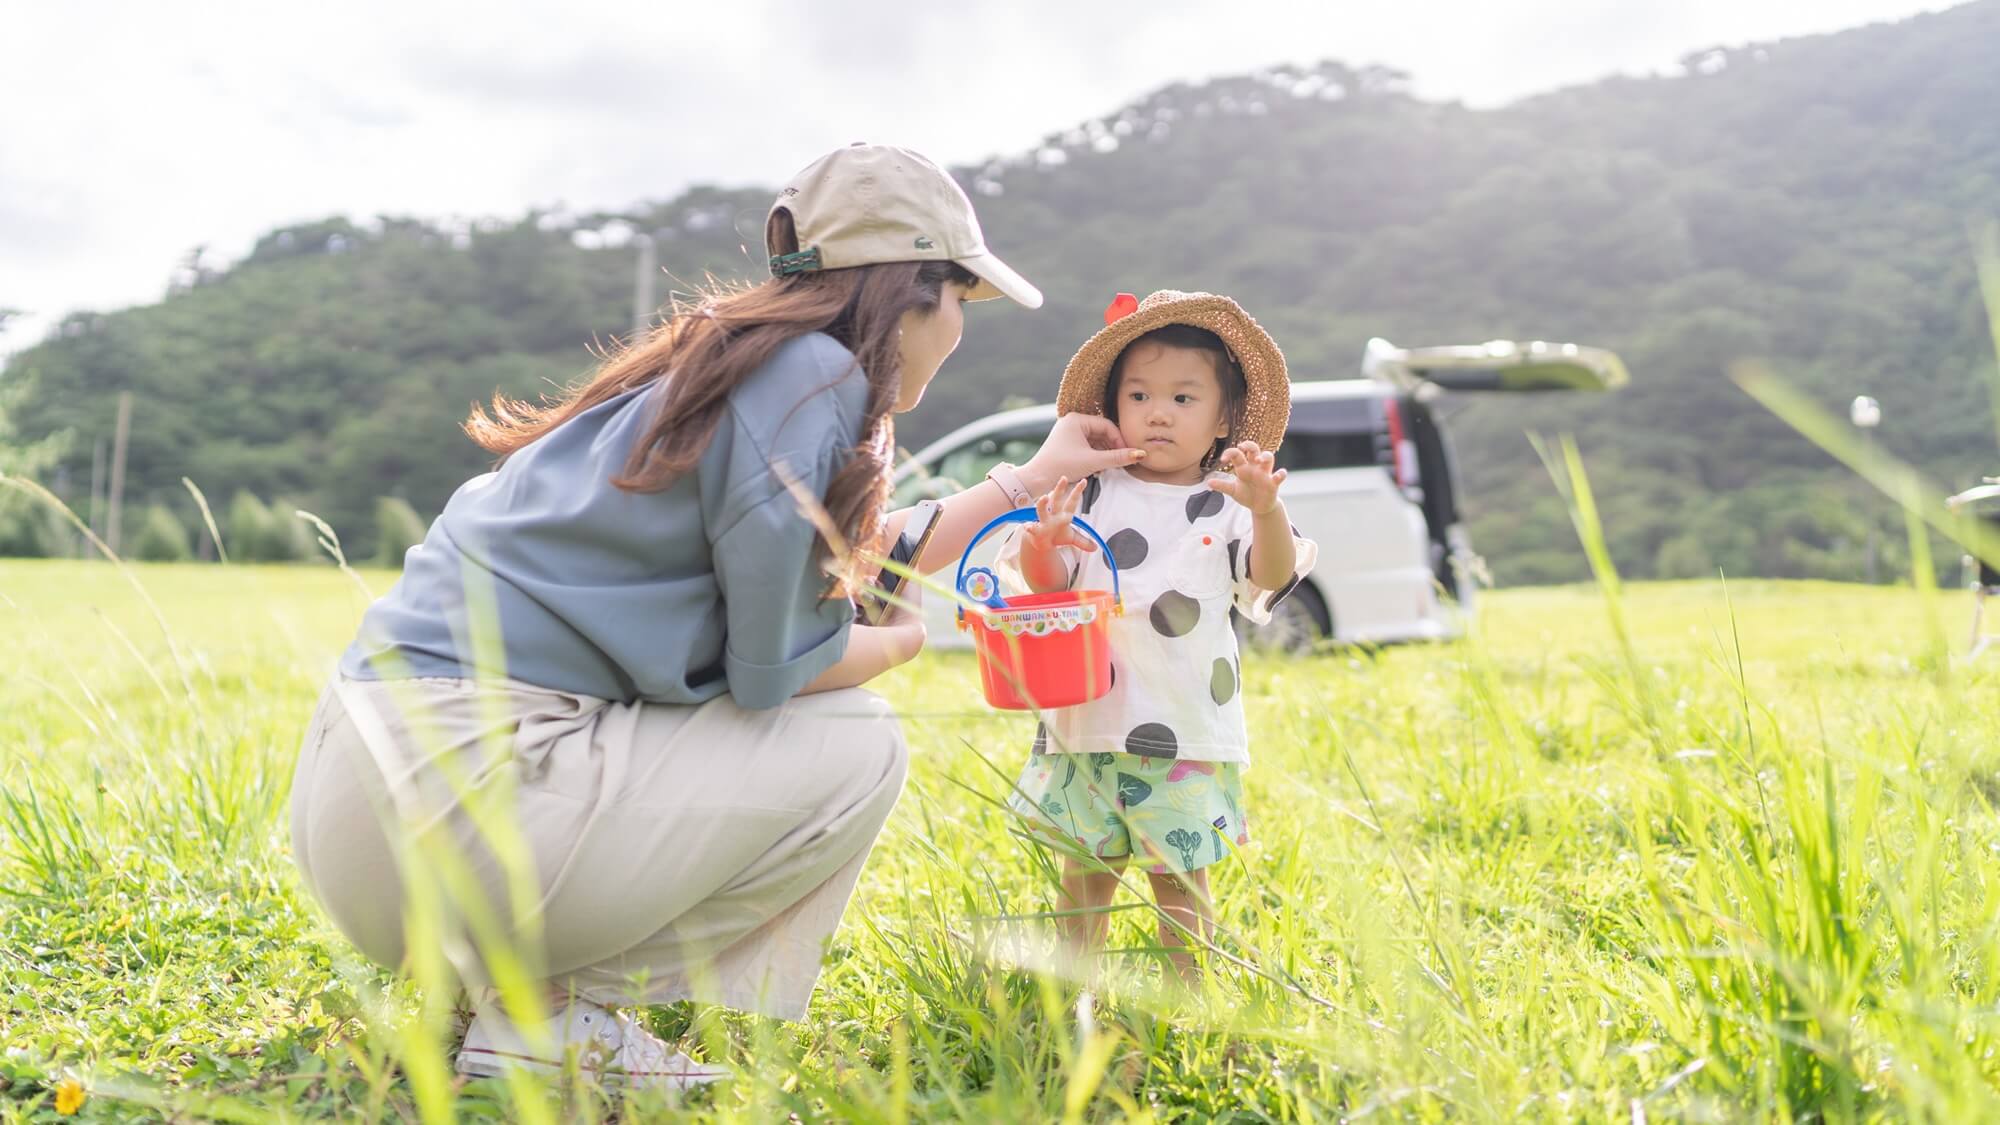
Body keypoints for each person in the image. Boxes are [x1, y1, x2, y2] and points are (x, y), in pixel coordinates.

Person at [286, 143, 1145, 1093]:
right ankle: (541, 1013)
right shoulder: (814, 376)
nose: (957, 328)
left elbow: (834, 561)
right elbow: (776, 663)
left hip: (365, 793)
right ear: (915, 290)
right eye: (961, 301)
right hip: (458, 800)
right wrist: (899, 643)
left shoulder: (727, 361)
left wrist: (1026, 481)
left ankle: (513, 1003)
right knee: (858, 741)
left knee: (811, 721)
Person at [999, 290, 1318, 981]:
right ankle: (1070, 993)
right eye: (1138, 393)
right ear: (1114, 407)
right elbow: (1049, 588)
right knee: (1084, 876)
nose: (1157, 411)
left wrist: (1267, 510)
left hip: (1183, 727)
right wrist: (1044, 543)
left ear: (1223, 419)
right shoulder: (1092, 491)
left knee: (1180, 879)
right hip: (1088, 722)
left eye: (1182, 398)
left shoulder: (1228, 500)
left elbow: (1270, 574)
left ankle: (1190, 994)